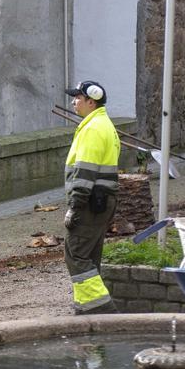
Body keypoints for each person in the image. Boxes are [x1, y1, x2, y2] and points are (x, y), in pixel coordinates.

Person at [62, 80, 120, 314]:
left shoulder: (93, 128)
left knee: (76, 255)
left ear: (91, 101)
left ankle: (104, 312)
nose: (73, 102)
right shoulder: (103, 125)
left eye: (77, 97)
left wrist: (75, 206)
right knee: (90, 258)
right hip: (101, 202)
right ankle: (86, 312)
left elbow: (84, 173)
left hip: (89, 203)